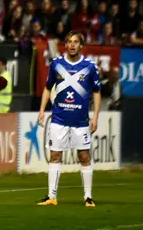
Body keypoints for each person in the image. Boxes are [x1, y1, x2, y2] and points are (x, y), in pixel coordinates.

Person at [37, 31, 101, 208]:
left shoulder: (90, 66)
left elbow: (96, 92)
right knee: (55, 155)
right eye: (69, 42)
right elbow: (48, 88)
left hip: (81, 121)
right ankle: (52, 196)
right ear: (65, 44)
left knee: (84, 156)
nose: (72, 45)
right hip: (59, 119)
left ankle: (88, 197)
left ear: (81, 45)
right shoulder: (57, 64)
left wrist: (95, 116)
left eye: (75, 42)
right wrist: (42, 110)